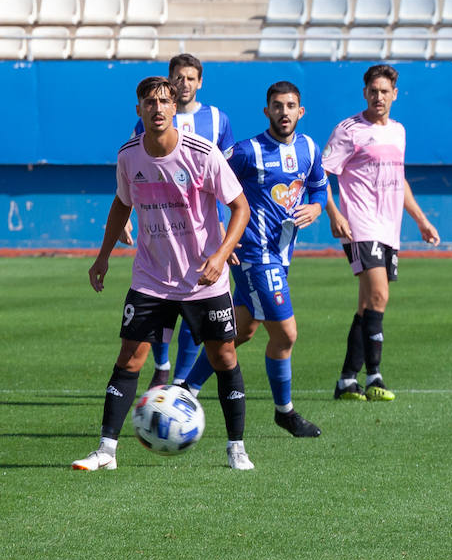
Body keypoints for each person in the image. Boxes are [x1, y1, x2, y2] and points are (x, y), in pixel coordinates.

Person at [73, 76, 254, 471]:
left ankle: (236, 448)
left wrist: (221, 255)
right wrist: (102, 256)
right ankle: (106, 451)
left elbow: (241, 207)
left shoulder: (202, 154)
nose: (157, 108)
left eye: (164, 101)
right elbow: (122, 205)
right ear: (138, 109)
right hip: (150, 279)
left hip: (203, 280)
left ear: (175, 108)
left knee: (223, 356)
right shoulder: (129, 156)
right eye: (149, 102)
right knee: (129, 359)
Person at [181, 81, 328, 438]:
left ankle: (187, 390)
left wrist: (317, 207)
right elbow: (208, 182)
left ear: (300, 111)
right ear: (267, 111)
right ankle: (285, 411)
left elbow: (320, 186)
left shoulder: (309, 148)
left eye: (291, 106)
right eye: (277, 106)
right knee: (287, 334)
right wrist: (221, 235)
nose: (284, 112)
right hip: (255, 256)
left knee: (240, 330)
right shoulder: (248, 151)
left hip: (281, 255)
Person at [322, 64, 440, 402]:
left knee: (367, 305)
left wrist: (421, 219)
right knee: (379, 296)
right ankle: (375, 375)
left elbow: (399, 180)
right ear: (365, 93)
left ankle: (347, 380)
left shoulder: (398, 131)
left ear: (394, 95)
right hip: (360, 224)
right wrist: (334, 214)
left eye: (384, 91)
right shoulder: (349, 130)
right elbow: (321, 174)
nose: (378, 97)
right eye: (373, 91)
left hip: (389, 228)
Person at [127, 53, 235, 391]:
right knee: (160, 300)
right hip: (160, 228)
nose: (184, 83)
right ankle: (162, 364)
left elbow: (226, 179)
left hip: (205, 229)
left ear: (199, 82)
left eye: (190, 78)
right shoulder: (152, 115)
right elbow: (138, 172)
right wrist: (125, 218)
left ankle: (181, 381)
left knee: (196, 305)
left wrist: (222, 232)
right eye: (178, 77)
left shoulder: (218, 119)